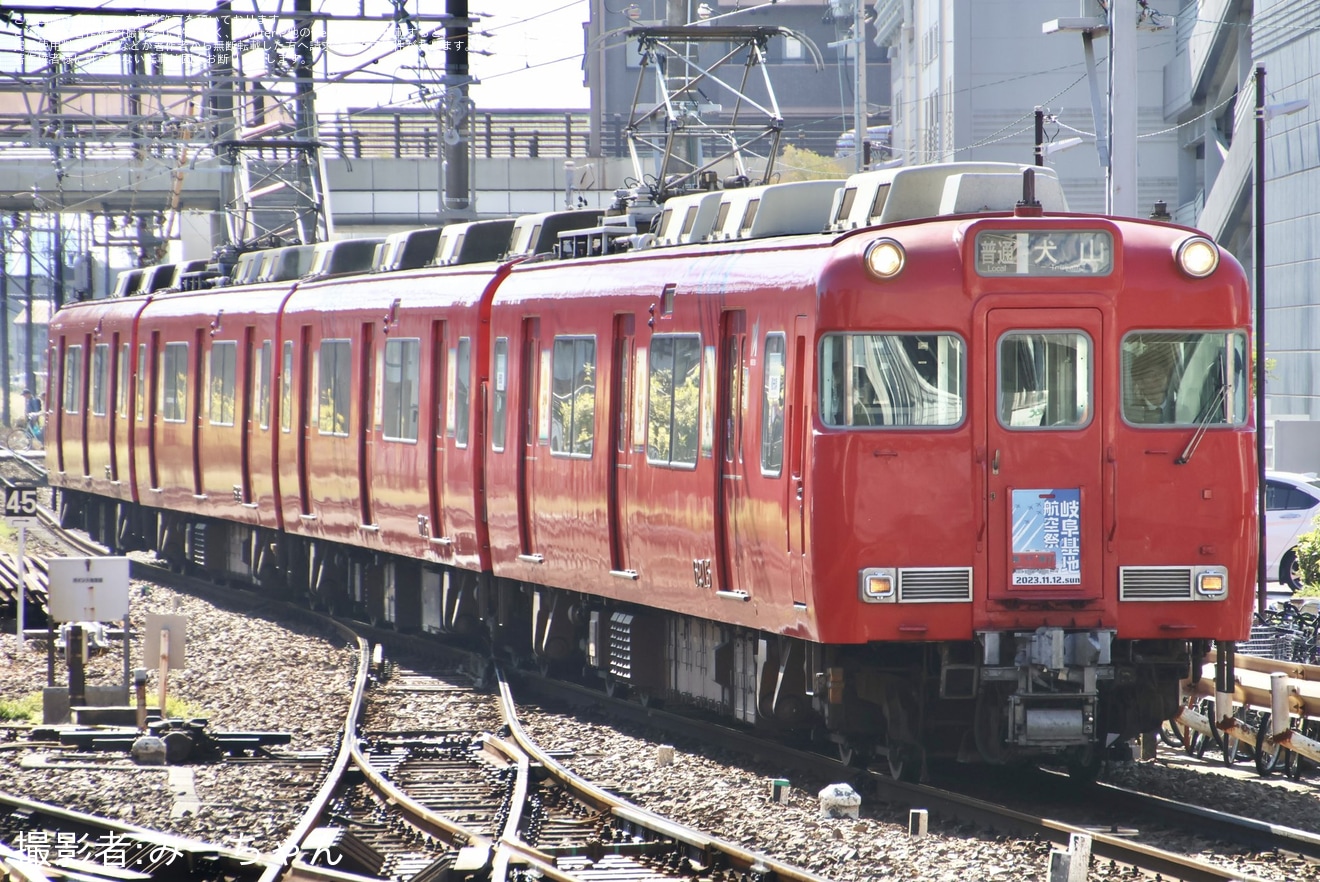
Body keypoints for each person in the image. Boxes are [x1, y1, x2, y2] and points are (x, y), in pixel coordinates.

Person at [1127, 346, 1177, 423]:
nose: (1157, 378)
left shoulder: (1180, 409)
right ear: (1140, 383)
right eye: (1151, 375)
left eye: (1160, 373)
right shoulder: (1133, 413)